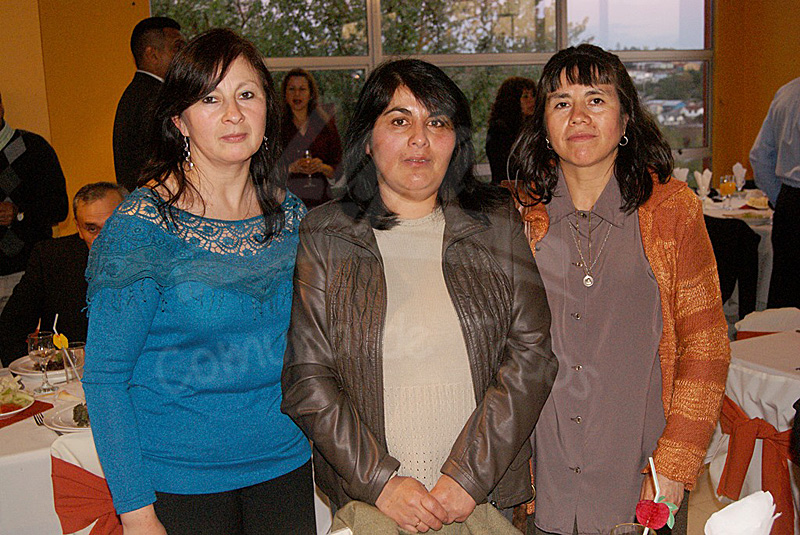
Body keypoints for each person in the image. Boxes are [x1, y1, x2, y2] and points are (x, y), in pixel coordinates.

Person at [282, 59, 557, 533]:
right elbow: (308, 377)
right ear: (367, 140)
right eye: (399, 120)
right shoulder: (326, 234)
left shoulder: (497, 223)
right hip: (374, 505)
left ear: (457, 140)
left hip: (481, 501)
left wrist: (467, 477)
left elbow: (532, 355)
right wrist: (381, 482)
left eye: (437, 122)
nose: (419, 139)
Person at [83, 29, 314, 535]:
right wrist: (135, 511)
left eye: (246, 94)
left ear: (266, 109)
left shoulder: (292, 217)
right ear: (179, 120)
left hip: (286, 465)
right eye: (210, 98)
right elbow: (104, 379)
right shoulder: (140, 229)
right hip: (180, 484)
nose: (233, 114)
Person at [507, 44, 730, 535]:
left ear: (626, 117)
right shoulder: (518, 216)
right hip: (543, 477)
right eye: (561, 102)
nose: (579, 116)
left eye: (596, 99)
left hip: (642, 478)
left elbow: (706, 346)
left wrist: (674, 464)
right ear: (543, 124)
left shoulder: (671, 211)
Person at [0, 182, 125, 367]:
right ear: (79, 228)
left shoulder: (155, 259)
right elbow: (9, 331)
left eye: (112, 226)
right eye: (92, 229)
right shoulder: (51, 259)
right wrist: (39, 372)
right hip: (69, 376)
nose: (103, 238)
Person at [0, 90, 69, 315]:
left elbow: (59, 208)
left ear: (1, 108)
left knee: (26, 337)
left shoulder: (33, 148)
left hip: (25, 272)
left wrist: (19, 213)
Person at [113, 16, 185, 192]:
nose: (183, 55)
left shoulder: (138, 93)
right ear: (152, 54)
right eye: (177, 48)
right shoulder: (156, 99)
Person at [749, 76, 800, 309]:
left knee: (785, 294)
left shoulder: (787, 93)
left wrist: (781, 199)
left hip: (789, 204)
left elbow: (759, 157)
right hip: (789, 200)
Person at [279, 68, 343, 209]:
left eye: (302, 89)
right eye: (291, 89)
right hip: (286, 203)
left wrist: (322, 167)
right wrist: (291, 168)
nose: (297, 94)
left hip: (322, 202)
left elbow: (338, 168)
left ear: (310, 94)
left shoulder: (325, 124)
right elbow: (266, 171)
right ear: (285, 94)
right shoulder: (276, 127)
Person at [485, 76, 537, 184]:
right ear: (512, 101)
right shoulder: (499, 130)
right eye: (525, 97)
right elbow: (506, 168)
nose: (532, 101)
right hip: (507, 188)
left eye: (533, 95)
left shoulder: (531, 127)